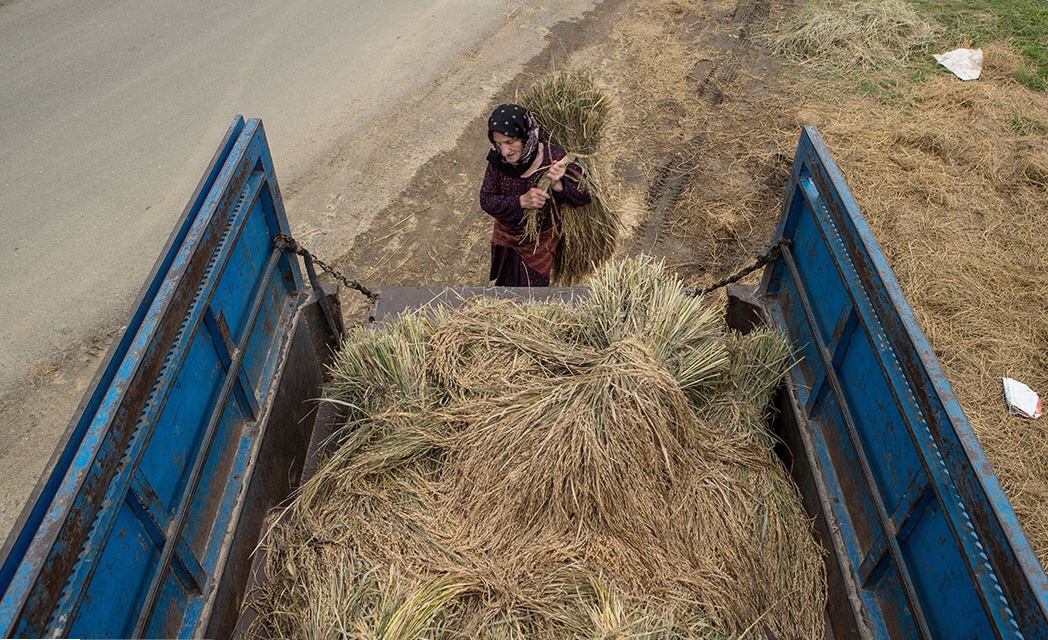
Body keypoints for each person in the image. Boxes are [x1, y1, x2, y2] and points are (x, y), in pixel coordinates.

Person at [479, 103, 591, 287]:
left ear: (525, 136)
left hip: (538, 244)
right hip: (507, 239)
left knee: (532, 296)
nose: (505, 151)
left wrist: (558, 184)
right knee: (506, 290)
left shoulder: (553, 158)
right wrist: (520, 201)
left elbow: (585, 195)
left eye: (510, 142)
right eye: (498, 144)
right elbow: (486, 199)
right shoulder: (497, 161)